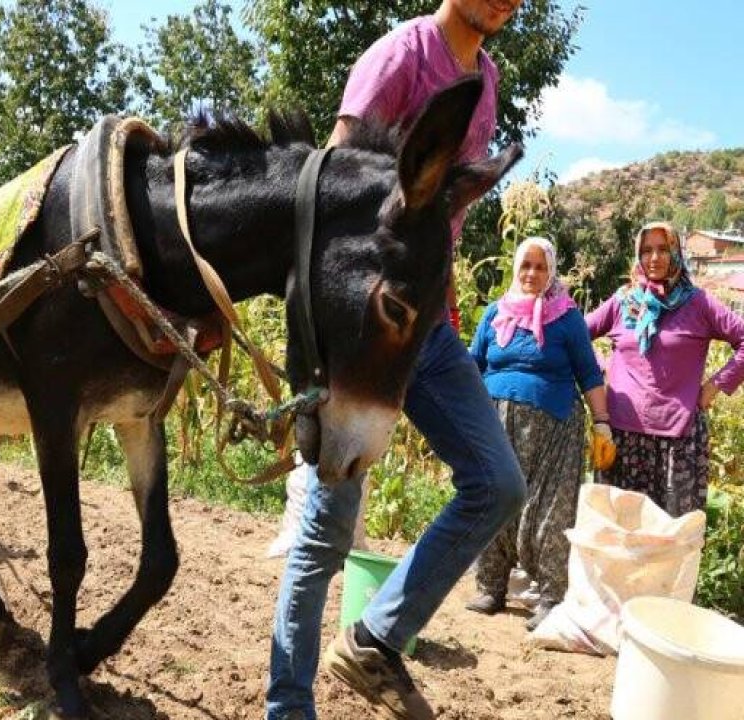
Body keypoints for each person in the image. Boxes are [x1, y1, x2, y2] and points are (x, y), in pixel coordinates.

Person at [268, 2, 526, 719]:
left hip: (428, 329)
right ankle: (288, 708)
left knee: (498, 483)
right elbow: (329, 190)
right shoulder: (400, 57)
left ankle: (375, 638)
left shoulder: (489, 78)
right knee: (326, 531)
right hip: (361, 329)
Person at [466, 237, 610, 631]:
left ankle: (550, 597)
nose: (531, 274)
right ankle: (491, 588)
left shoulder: (565, 318)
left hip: (554, 432)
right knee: (493, 499)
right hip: (496, 425)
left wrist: (603, 424)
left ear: (551, 272)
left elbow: (588, 373)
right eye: (525, 266)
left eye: (540, 267)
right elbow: (472, 365)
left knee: (549, 512)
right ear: (516, 269)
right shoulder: (495, 313)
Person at [586, 222, 744, 516]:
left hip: (679, 443)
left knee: (670, 541)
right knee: (620, 537)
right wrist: (603, 369)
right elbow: (577, 338)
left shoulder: (698, 303)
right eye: (646, 250)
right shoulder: (623, 301)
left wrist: (715, 386)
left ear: (676, 253)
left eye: (662, 249)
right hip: (622, 438)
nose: (654, 258)